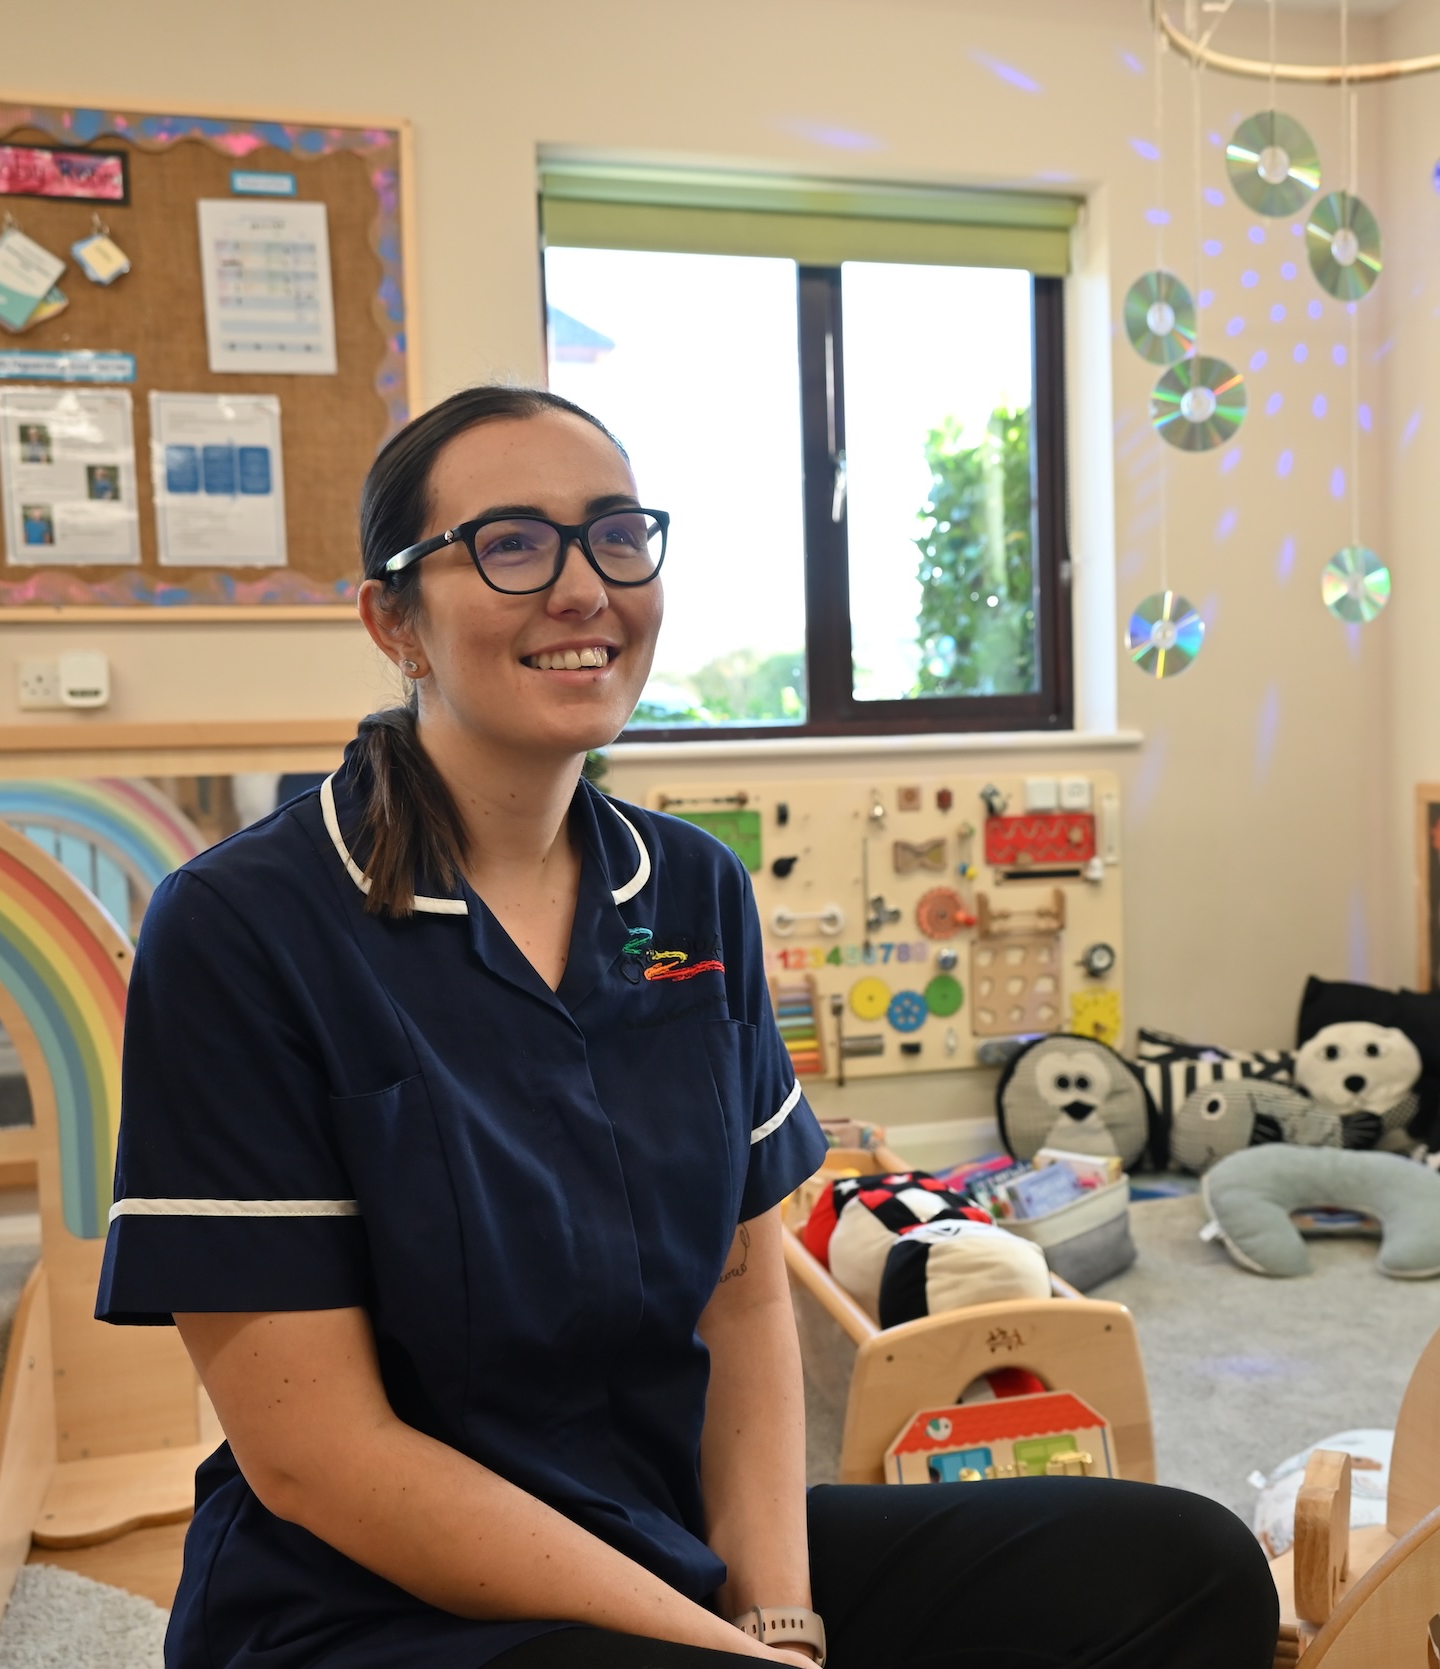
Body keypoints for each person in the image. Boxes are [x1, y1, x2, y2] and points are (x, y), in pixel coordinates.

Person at [96, 385, 1275, 1669]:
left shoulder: (690, 892)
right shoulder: (240, 926)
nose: (584, 587)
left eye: (615, 534)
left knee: (1182, 1569)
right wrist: (718, 1652)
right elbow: (320, 1459)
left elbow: (742, 1290)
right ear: (396, 620)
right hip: (371, 1603)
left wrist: (780, 1618)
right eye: (511, 543)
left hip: (666, 1541)